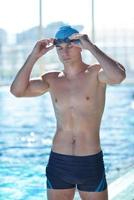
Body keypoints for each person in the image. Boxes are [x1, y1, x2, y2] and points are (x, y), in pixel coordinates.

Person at [10, 25, 126, 200]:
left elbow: (118, 76)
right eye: (60, 48)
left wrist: (91, 47)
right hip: (59, 162)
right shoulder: (52, 79)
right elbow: (17, 91)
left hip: (89, 161)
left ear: (80, 45)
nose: (64, 52)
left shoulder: (95, 74)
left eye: (70, 46)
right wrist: (34, 55)